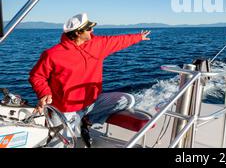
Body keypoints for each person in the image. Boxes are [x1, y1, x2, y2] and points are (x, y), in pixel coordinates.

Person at [29, 13, 151, 148]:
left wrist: (139, 37)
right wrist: (44, 93)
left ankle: (86, 120)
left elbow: (118, 40)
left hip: (91, 103)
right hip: (65, 109)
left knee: (127, 99)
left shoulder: (97, 44)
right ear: (77, 33)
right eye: (88, 28)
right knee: (58, 144)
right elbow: (36, 76)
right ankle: (79, 123)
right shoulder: (52, 54)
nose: (92, 30)